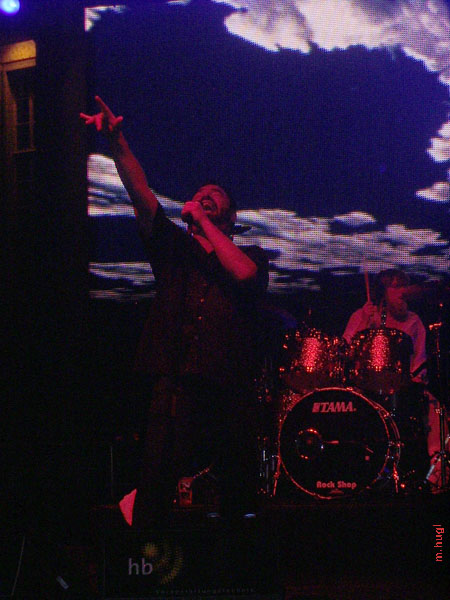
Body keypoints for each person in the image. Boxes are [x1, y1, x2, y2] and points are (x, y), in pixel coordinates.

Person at [81, 97, 269, 526]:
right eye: (200, 196)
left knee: (235, 493)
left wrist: (204, 224)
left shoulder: (250, 254)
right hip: (175, 383)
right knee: (156, 486)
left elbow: (243, 274)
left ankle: (235, 557)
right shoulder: (173, 248)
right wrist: (117, 143)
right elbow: (141, 194)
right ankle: (148, 555)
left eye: (214, 198)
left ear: (230, 217)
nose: (205, 198)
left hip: (228, 387)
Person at [343, 268, 446, 490]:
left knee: (435, 409)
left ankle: (437, 477)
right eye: (396, 287)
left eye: (405, 287)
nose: (403, 293)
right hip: (365, 389)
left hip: (402, 389)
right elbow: (344, 352)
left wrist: (414, 385)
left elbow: (419, 364)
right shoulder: (362, 315)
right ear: (384, 293)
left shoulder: (414, 321)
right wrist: (364, 324)